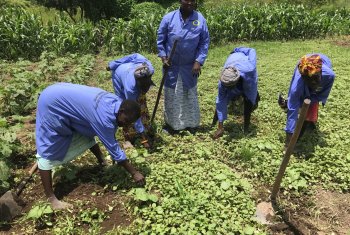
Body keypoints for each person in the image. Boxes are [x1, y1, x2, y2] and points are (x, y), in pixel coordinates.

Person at [35, 83, 145, 210]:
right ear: (121, 111)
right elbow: (113, 147)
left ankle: (102, 161)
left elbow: (106, 129)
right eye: (125, 122)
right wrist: (134, 173)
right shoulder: (103, 118)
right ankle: (51, 199)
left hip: (58, 91)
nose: (125, 126)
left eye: (129, 124)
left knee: (87, 130)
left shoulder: (116, 102)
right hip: (51, 103)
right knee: (48, 149)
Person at [157, 0, 210, 133]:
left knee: (189, 95)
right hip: (171, 67)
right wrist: (164, 57)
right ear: (181, 1)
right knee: (171, 96)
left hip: (189, 67)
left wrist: (198, 61)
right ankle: (172, 126)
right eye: (187, 0)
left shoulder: (200, 19)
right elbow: (160, 40)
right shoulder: (169, 18)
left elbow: (204, 42)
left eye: (193, 0)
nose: (190, 3)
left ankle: (191, 125)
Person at [278, 54, 335, 148]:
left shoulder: (329, 76)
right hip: (302, 76)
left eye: (316, 79)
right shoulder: (298, 84)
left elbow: (321, 95)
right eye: (311, 81)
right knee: (296, 102)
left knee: (312, 100)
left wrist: (311, 99)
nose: (315, 83)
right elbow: (292, 111)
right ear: (304, 79)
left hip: (321, 62)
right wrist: (288, 142)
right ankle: (287, 104)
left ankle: (310, 121)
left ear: (320, 73)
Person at [107, 53, 155, 148]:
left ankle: (146, 128)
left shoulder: (148, 67)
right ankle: (129, 137)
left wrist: (113, 63)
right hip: (118, 75)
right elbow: (134, 112)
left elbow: (135, 55)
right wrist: (143, 138)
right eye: (143, 88)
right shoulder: (130, 89)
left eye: (147, 86)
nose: (145, 90)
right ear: (137, 84)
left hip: (127, 71)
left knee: (141, 102)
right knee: (126, 108)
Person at [212, 47, 260, 139]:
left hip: (245, 71)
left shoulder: (249, 69)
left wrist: (237, 49)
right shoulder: (223, 80)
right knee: (223, 96)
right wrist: (220, 127)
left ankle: (246, 128)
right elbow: (220, 101)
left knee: (249, 100)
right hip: (232, 61)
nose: (227, 88)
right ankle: (215, 122)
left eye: (230, 87)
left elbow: (252, 50)